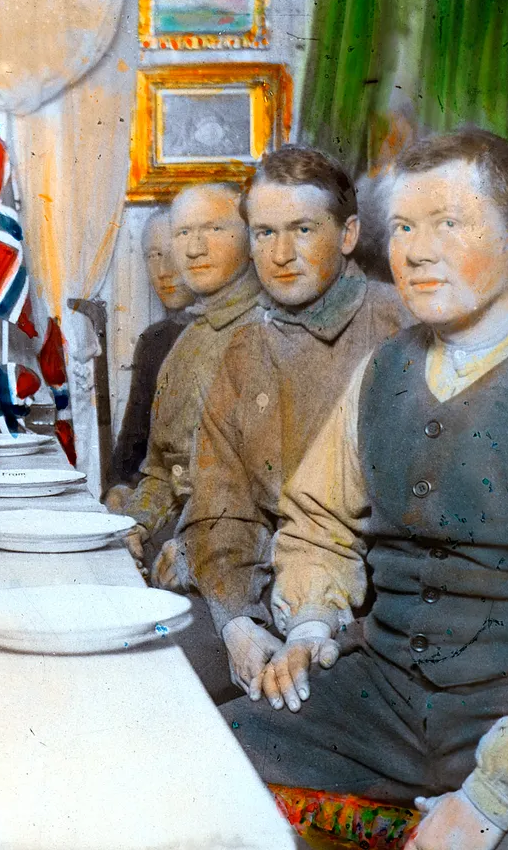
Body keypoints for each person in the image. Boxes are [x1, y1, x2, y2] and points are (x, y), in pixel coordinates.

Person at [224, 129, 508, 849]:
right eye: (403, 226)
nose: (417, 251)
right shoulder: (383, 370)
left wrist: (492, 798)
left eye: (449, 224)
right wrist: (311, 625)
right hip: (388, 702)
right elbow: (318, 521)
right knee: (214, 758)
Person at [153, 146, 411, 704]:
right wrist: (236, 625)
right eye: (265, 233)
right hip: (261, 592)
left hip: (367, 612)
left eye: (302, 229)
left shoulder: (402, 327)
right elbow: (220, 506)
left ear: (347, 236)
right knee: (154, 682)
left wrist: (312, 625)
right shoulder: (244, 350)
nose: (281, 254)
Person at [109, 182, 263, 565]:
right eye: (183, 233)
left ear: (251, 236)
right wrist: (136, 524)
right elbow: (161, 470)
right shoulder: (188, 338)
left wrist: (193, 553)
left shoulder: (273, 332)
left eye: (213, 229)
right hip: (181, 545)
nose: (194, 249)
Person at [106, 208, 195, 493]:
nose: (163, 271)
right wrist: (116, 490)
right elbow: (132, 445)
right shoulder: (154, 341)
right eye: (153, 256)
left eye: (173, 253)